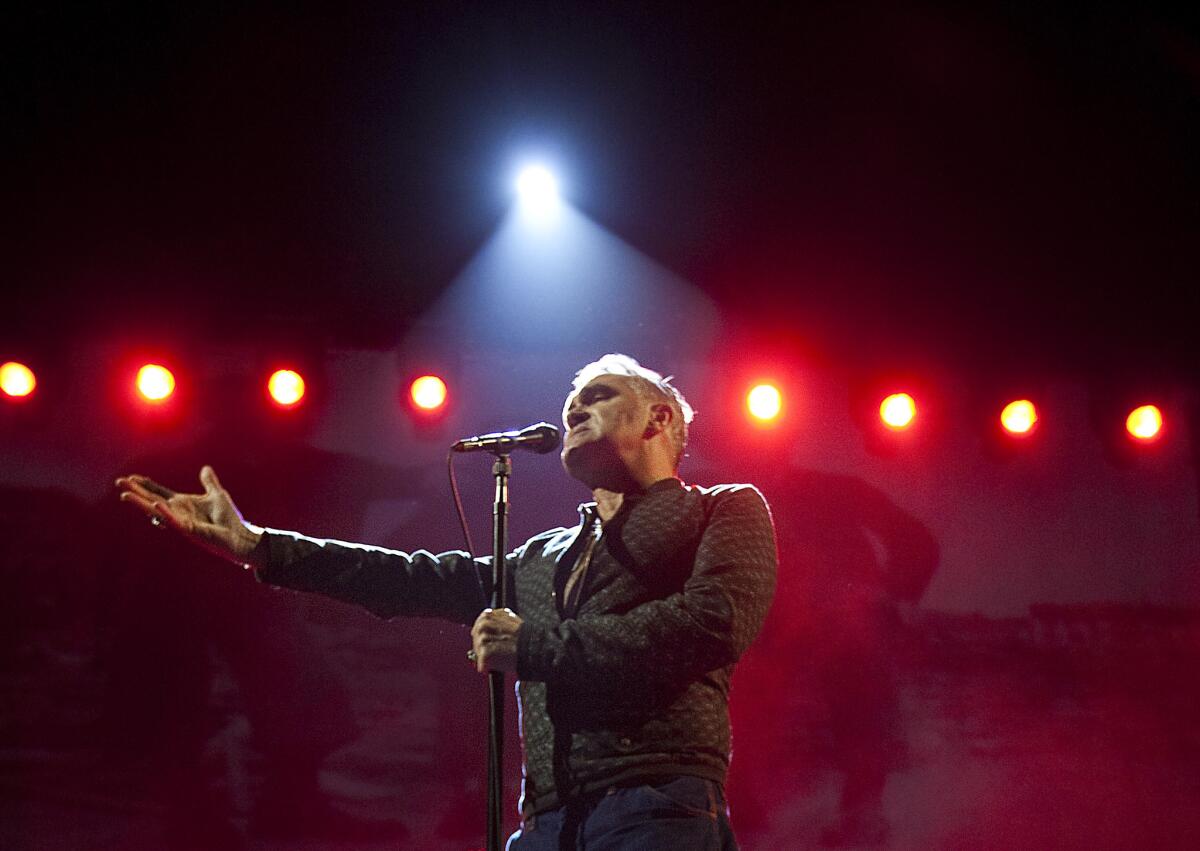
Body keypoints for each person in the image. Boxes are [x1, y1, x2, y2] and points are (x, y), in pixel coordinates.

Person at [116, 353, 778, 850]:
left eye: (597, 396)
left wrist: (536, 646)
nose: (573, 407)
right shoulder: (540, 555)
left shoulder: (724, 510)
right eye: (570, 399)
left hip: (655, 804)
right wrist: (256, 545)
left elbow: (710, 625)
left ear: (659, 417)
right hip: (546, 817)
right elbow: (407, 577)